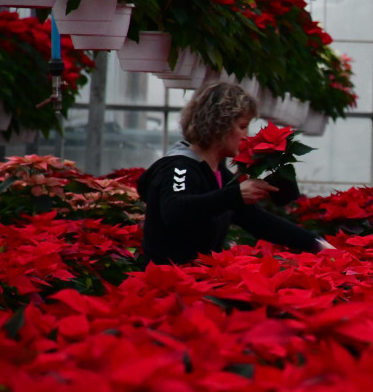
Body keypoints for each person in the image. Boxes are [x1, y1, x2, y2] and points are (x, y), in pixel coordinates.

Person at [137, 81, 334, 265]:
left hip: (194, 281)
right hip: (164, 286)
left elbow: (258, 221)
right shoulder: (179, 166)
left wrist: (318, 244)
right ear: (218, 126)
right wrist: (235, 195)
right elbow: (174, 210)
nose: (246, 135)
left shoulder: (219, 173)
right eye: (242, 126)